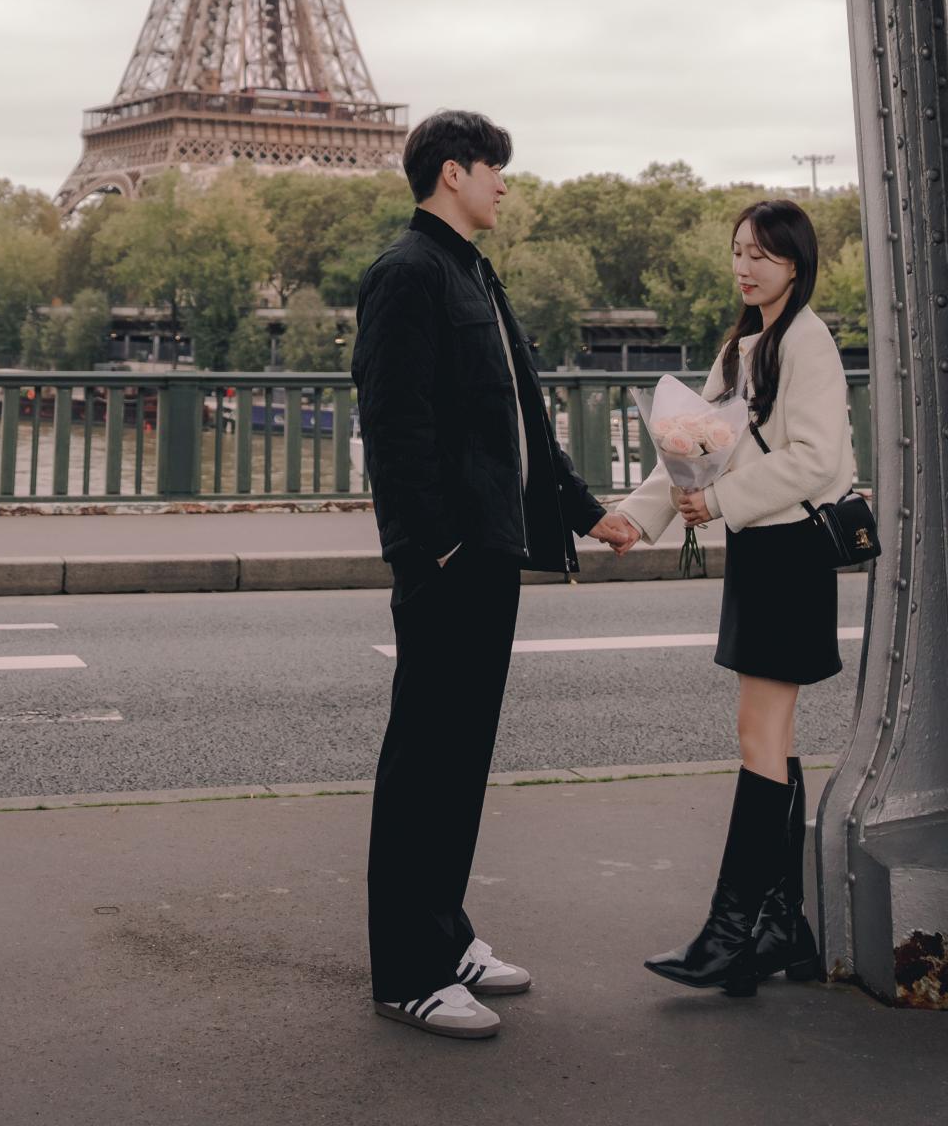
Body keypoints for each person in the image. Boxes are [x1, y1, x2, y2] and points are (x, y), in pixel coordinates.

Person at [352, 109, 642, 1039]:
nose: (504, 185)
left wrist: (585, 510)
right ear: (452, 172)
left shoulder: (471, 270)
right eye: (493, 169)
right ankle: (408, 971)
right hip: (453, 559)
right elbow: (393, 425)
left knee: (460, 759)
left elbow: (519, 422)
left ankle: (444, 937)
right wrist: (433, 547)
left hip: (490, 550)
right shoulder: (406, 273)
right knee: (425, 763)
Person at [612, 197, 854, 998]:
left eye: (763, 255)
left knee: (759, 736)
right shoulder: (746, 345)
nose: (745, 267)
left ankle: (730, 934)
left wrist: (714, 502)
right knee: (771, 741)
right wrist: (634, 519)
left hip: (790, 551)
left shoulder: (806, 342)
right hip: (762, 548)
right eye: (739, 251)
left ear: (796, 265)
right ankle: (782, 929)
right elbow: (692, 447)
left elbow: (817, 459)